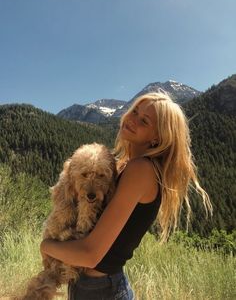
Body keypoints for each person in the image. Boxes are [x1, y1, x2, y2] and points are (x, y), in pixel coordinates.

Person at [40, 92, 213, 300]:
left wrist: (46, 246)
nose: (132, 119)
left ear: (157, 136)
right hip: (95, 286)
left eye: (144, 121)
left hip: (101, 290)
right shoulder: (128, 165)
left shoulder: (141, 170)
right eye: (134, 111)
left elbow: (90, 254)